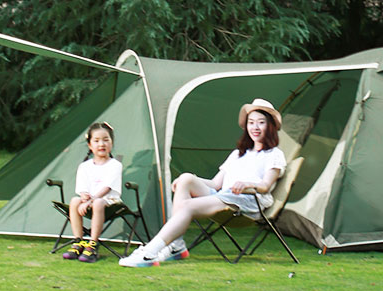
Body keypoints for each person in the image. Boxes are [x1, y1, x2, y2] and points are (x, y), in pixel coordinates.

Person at [119, 98, 286, 267]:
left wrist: (247, 184)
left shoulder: (274, 155)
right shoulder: (238, 154)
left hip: (248, 201)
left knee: (187, 206)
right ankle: (176, 245)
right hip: (225, 196)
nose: (255, 127)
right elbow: (215, 184)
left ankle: (150, 252)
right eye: (251, 122)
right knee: (186, 179)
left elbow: (265, 187)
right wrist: (188, 178)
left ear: (270, 126)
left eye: (261, 123)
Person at [61, 122, 122, 264]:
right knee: (74, 201)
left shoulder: (115, 165)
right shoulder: (84, 166)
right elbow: (82, 187)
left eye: (106, 140)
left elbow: (107, 188)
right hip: (90, 203)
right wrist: (84, 197)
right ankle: (79, 241)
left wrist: (91, 200)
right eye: (96, 141)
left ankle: (93, 244)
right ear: (90, 145)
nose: (102, 144)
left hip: (110, 202)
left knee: (99, 202)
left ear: (111, 143)